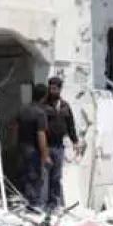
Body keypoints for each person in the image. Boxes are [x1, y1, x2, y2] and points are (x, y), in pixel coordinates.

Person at [42, 76, 82, 210]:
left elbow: (71, 125)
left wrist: (75, 141)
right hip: (46, 145)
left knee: (56, 176)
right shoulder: (44, 105)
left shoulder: (65, 106)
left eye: (55, 88)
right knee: (44, 175)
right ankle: (44, 203)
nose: (52, 91)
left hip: (59, 146)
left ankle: (54, 203)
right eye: (50, 88)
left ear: (59, 89)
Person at [14, 86, 51, 209]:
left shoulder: (22, 110)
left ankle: (22, 204)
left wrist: (16, 145)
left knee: (23, 177)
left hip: (21, 148)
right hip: (33, 151)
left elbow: (15, 128)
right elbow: (41, 134)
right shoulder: (40, 113)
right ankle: (34, 206)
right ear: (44, 96)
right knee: (34, 178)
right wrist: (45, 156)